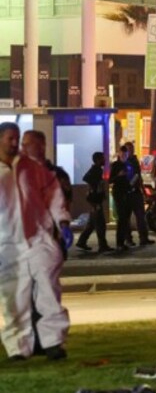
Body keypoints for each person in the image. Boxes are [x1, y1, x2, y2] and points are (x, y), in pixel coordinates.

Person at [0, 122, 71, 361]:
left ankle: (53, 343)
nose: (15, 143)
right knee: (14, 298)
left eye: (17, 138)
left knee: (49, 292)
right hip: (6, 244)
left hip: (39, 238)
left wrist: (61, 221)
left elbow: (52, 194)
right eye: (10, 138)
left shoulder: (31, 168)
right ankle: (18, 348)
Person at [21, 130, 73, 258]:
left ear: (42, 146)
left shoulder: (58, 176)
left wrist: (64, 226)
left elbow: (64, 204)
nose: (23, 148)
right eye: (23, 145)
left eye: (28, 144)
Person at [76, 152, 113, 253]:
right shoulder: (95, 170)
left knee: (92, 223)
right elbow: (87, 178)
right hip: (95, 201)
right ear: (98, 160)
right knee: (100, 224)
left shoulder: (98, 170)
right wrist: (94, 187)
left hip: (95, 200)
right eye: (103, 159)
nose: (105, 161)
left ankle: (81, 242)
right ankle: (102, 245)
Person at [124, 142, 155, 246]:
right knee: (127, 218)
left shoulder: (134, 161)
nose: (130, 151)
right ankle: (128, 239)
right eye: (128, 149)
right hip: (127, 193)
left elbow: (139, 177)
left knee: (141, 216)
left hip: (136, 192)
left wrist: (143, 191)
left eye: (131, 149)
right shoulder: (124, 162)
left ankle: (143, 238)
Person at [110, 146, 133, 252]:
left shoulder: (129, 165)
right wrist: (118, 176)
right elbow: (110, 180)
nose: (124, 156)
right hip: (119, 193)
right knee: (122, 218)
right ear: (119, 154)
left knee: (125, 219)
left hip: (127, 193)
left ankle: (124, 241)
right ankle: (119, 243)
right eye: (122, 154)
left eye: (126, 154)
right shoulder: (115, 165)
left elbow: (131, 178)